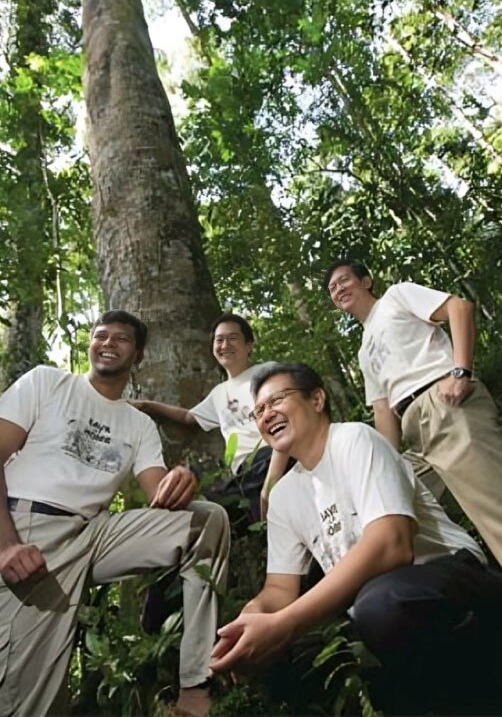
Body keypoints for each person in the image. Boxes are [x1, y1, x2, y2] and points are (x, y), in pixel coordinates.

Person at [210, 362, 502, 714]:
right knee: (290, 659)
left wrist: (285, 623)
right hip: (377, 607)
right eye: (258, 411)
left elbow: (392, 545)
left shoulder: (354, 440)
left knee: (379, 606)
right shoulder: (285, 496)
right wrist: (252, 618)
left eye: (277, 400)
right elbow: (279, 590)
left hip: (451, 576)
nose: (267, 414)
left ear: (317, 399)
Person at [0, 310, 230, 717]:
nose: (108, 343)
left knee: (205, 519)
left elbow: (160, 495)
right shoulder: (47, 382)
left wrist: (181, 480)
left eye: (121, 338)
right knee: (32, 699)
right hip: (29, 528)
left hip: (94, 535)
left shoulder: (138, 424)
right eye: (101, 335)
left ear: (138, 355)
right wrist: (6, 546)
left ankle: (196, 683)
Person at [323, 257, 502, 564]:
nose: (338, 289)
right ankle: (464, 577)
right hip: (414, 432)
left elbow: (459, 308)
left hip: (445, 406)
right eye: (332, 288)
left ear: (366, 282)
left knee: (494, 505)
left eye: (344, 280)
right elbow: (383, 411)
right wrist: (383, 464)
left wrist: (461, 372)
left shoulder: (396, 296)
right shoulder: (364, 350)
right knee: (388, 509)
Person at [133, 313, 289, 522]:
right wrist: (146, 405)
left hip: (273, 455)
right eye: (219, 340)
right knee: (206, 513)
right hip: (244, 475)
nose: (225, 345)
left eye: (233, 338)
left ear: (249, 345)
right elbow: (188, 417)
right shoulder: (218, 394)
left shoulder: (267, 372)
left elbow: (289, 420)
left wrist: (270, 483)